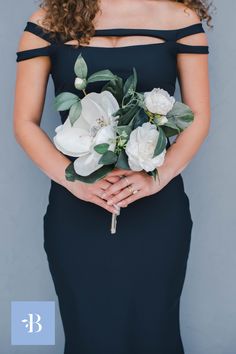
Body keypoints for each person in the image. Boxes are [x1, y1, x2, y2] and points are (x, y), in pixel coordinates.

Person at [13, 0, 211, 353]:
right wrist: (75, 182)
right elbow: (24, 124)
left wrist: (156, 179)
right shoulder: (46, 20)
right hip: (75, 206)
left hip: (157, 208)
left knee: (156, 333)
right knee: (88, 334)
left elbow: (198, 119)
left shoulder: (180, 18)